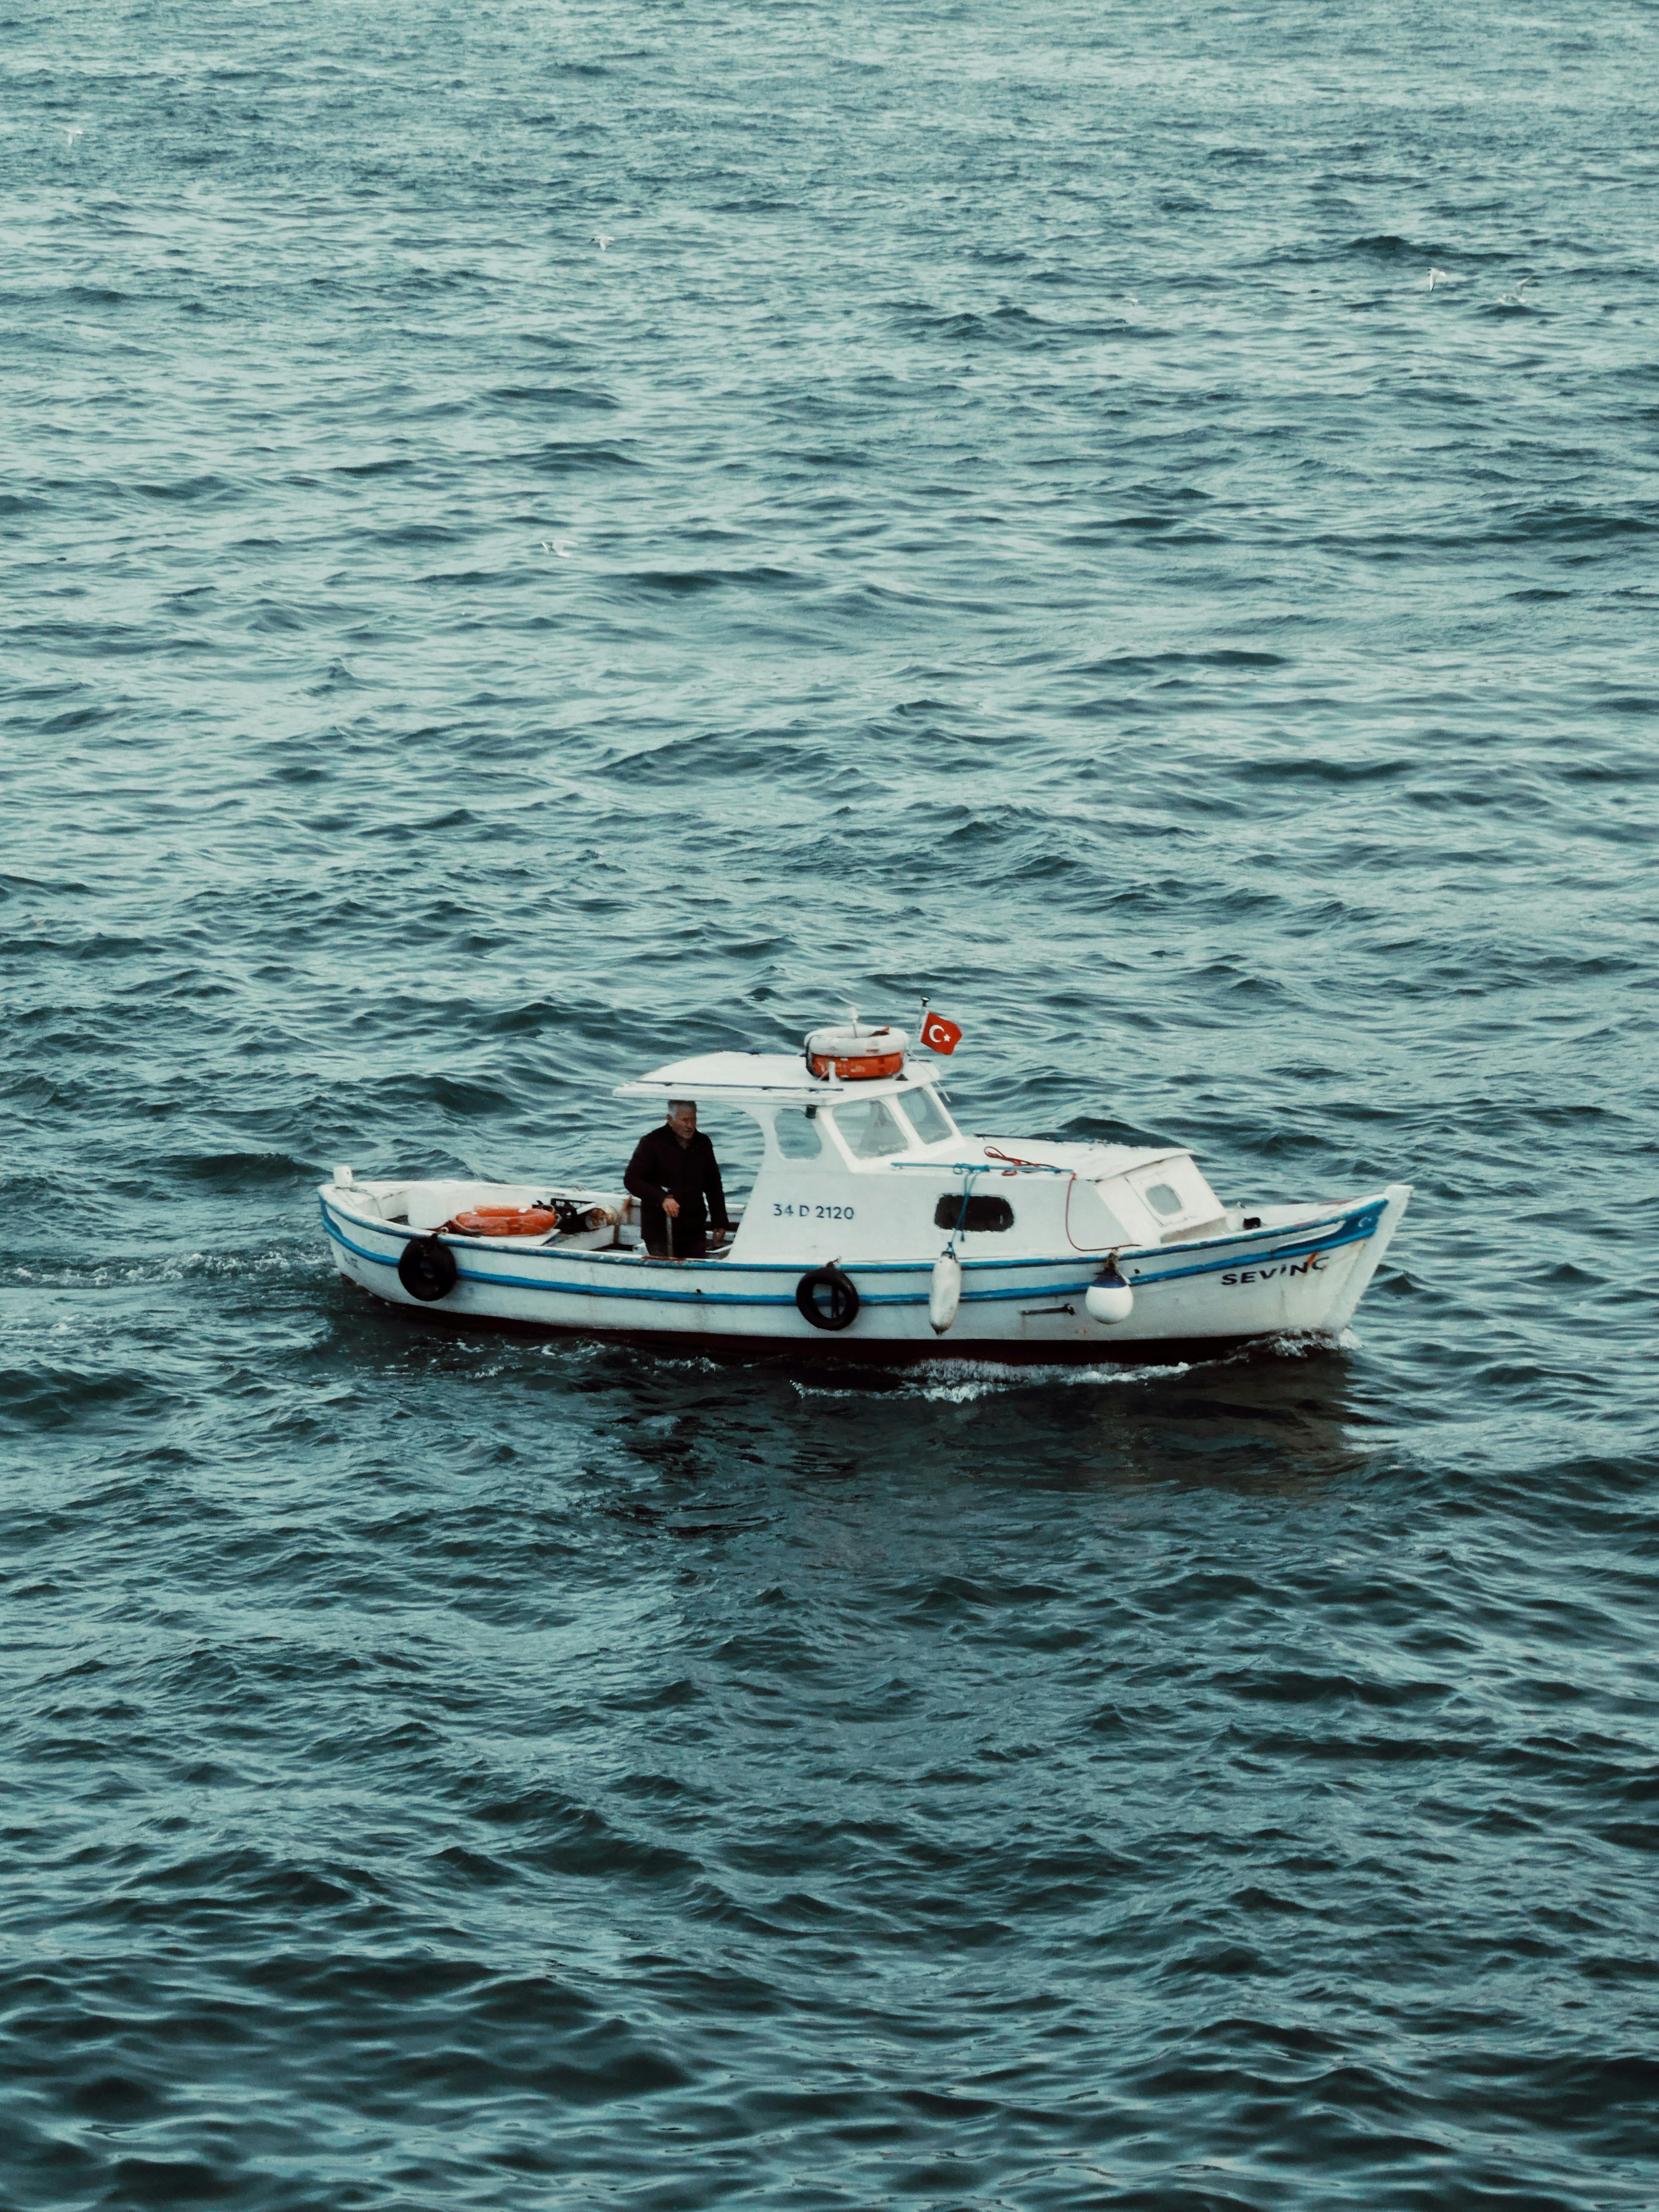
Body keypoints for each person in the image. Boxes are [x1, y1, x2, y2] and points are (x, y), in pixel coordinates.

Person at [624, 1099, 731, 1260]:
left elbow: (713, 1185)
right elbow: (632, 1180)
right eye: (685, 1120)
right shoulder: (651, 1143)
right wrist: (662, 1198)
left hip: (694, 1228)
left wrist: (720, 1220)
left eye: (693, 1119)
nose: (690, 1125)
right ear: (669, 1119)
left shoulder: (703, 1143)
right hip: (659, 1229)